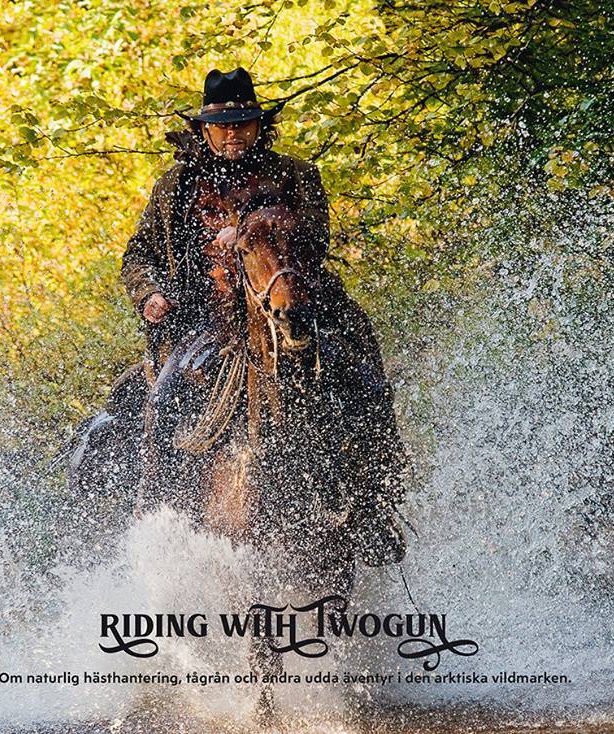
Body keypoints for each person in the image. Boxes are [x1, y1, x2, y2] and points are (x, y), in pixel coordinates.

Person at [120, 67, 406, 565]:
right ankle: (157, 508)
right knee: (166, 388)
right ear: (205, 130)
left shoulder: (296, 175)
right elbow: (138, 255)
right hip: (203, 317)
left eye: (244, 123)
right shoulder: (175, 186)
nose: (234, 133)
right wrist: (150, 295)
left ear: (259, 126)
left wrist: (250, 232)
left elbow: (313, 242)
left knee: (360, 372)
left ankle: (376, 501)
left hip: (287, 302)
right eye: (224, 125)